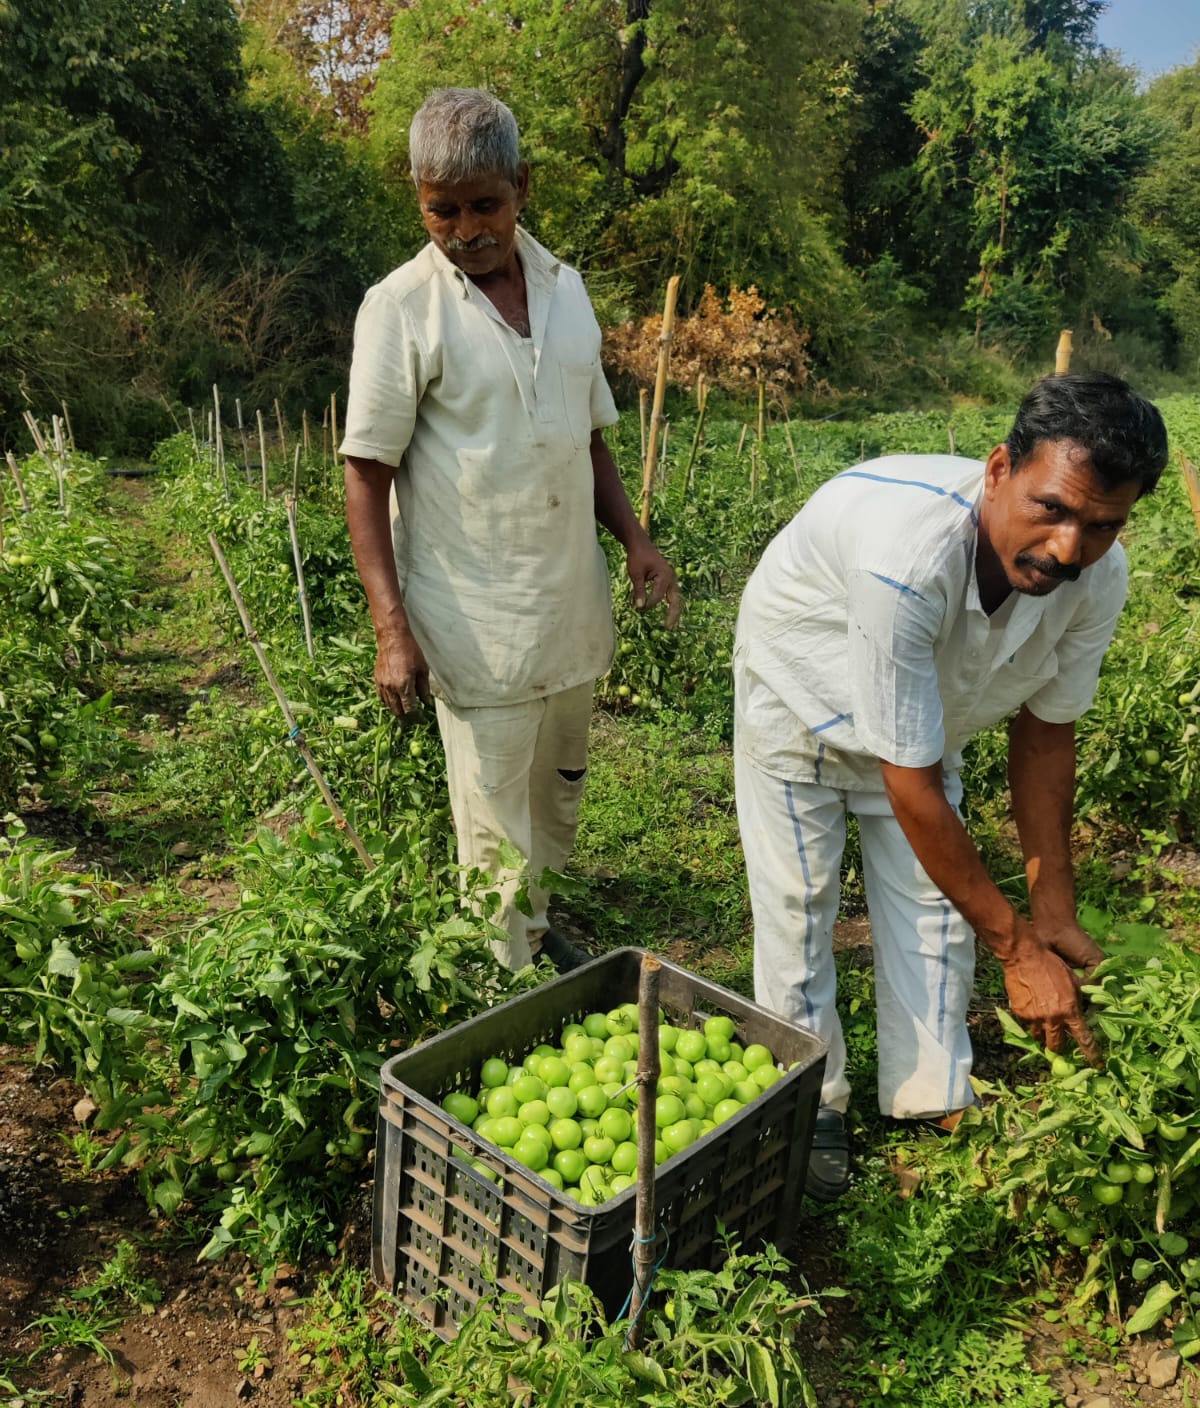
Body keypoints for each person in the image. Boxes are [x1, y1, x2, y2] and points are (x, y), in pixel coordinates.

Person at [733, 373, 1168, 1199]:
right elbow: (912, 787)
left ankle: (928, 1098)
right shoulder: (909, 559)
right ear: (1000, 470)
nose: (1069, 549)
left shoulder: (1095, 580)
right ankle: (810, 1097)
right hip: (806, 701)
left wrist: (1053, 917)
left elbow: (1045, 739)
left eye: (1104, 525)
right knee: (798, 904)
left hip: (929, 717)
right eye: (1053, 509)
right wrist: (1019, 948)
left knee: (936, 913)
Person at [341, 88, 680, 972]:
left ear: (522, 186)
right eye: (440, 209)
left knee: (556, 796)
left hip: (568, 606)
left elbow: (590, 437)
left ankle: (531, 936)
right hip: (474, 619)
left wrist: (635, 540)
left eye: (484, 204)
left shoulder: (566, 290)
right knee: (492, 826)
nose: (465, 228)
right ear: (418, 199)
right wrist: (392, 631)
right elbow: (366, 473)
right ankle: (501, 992)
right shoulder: (401, 307)